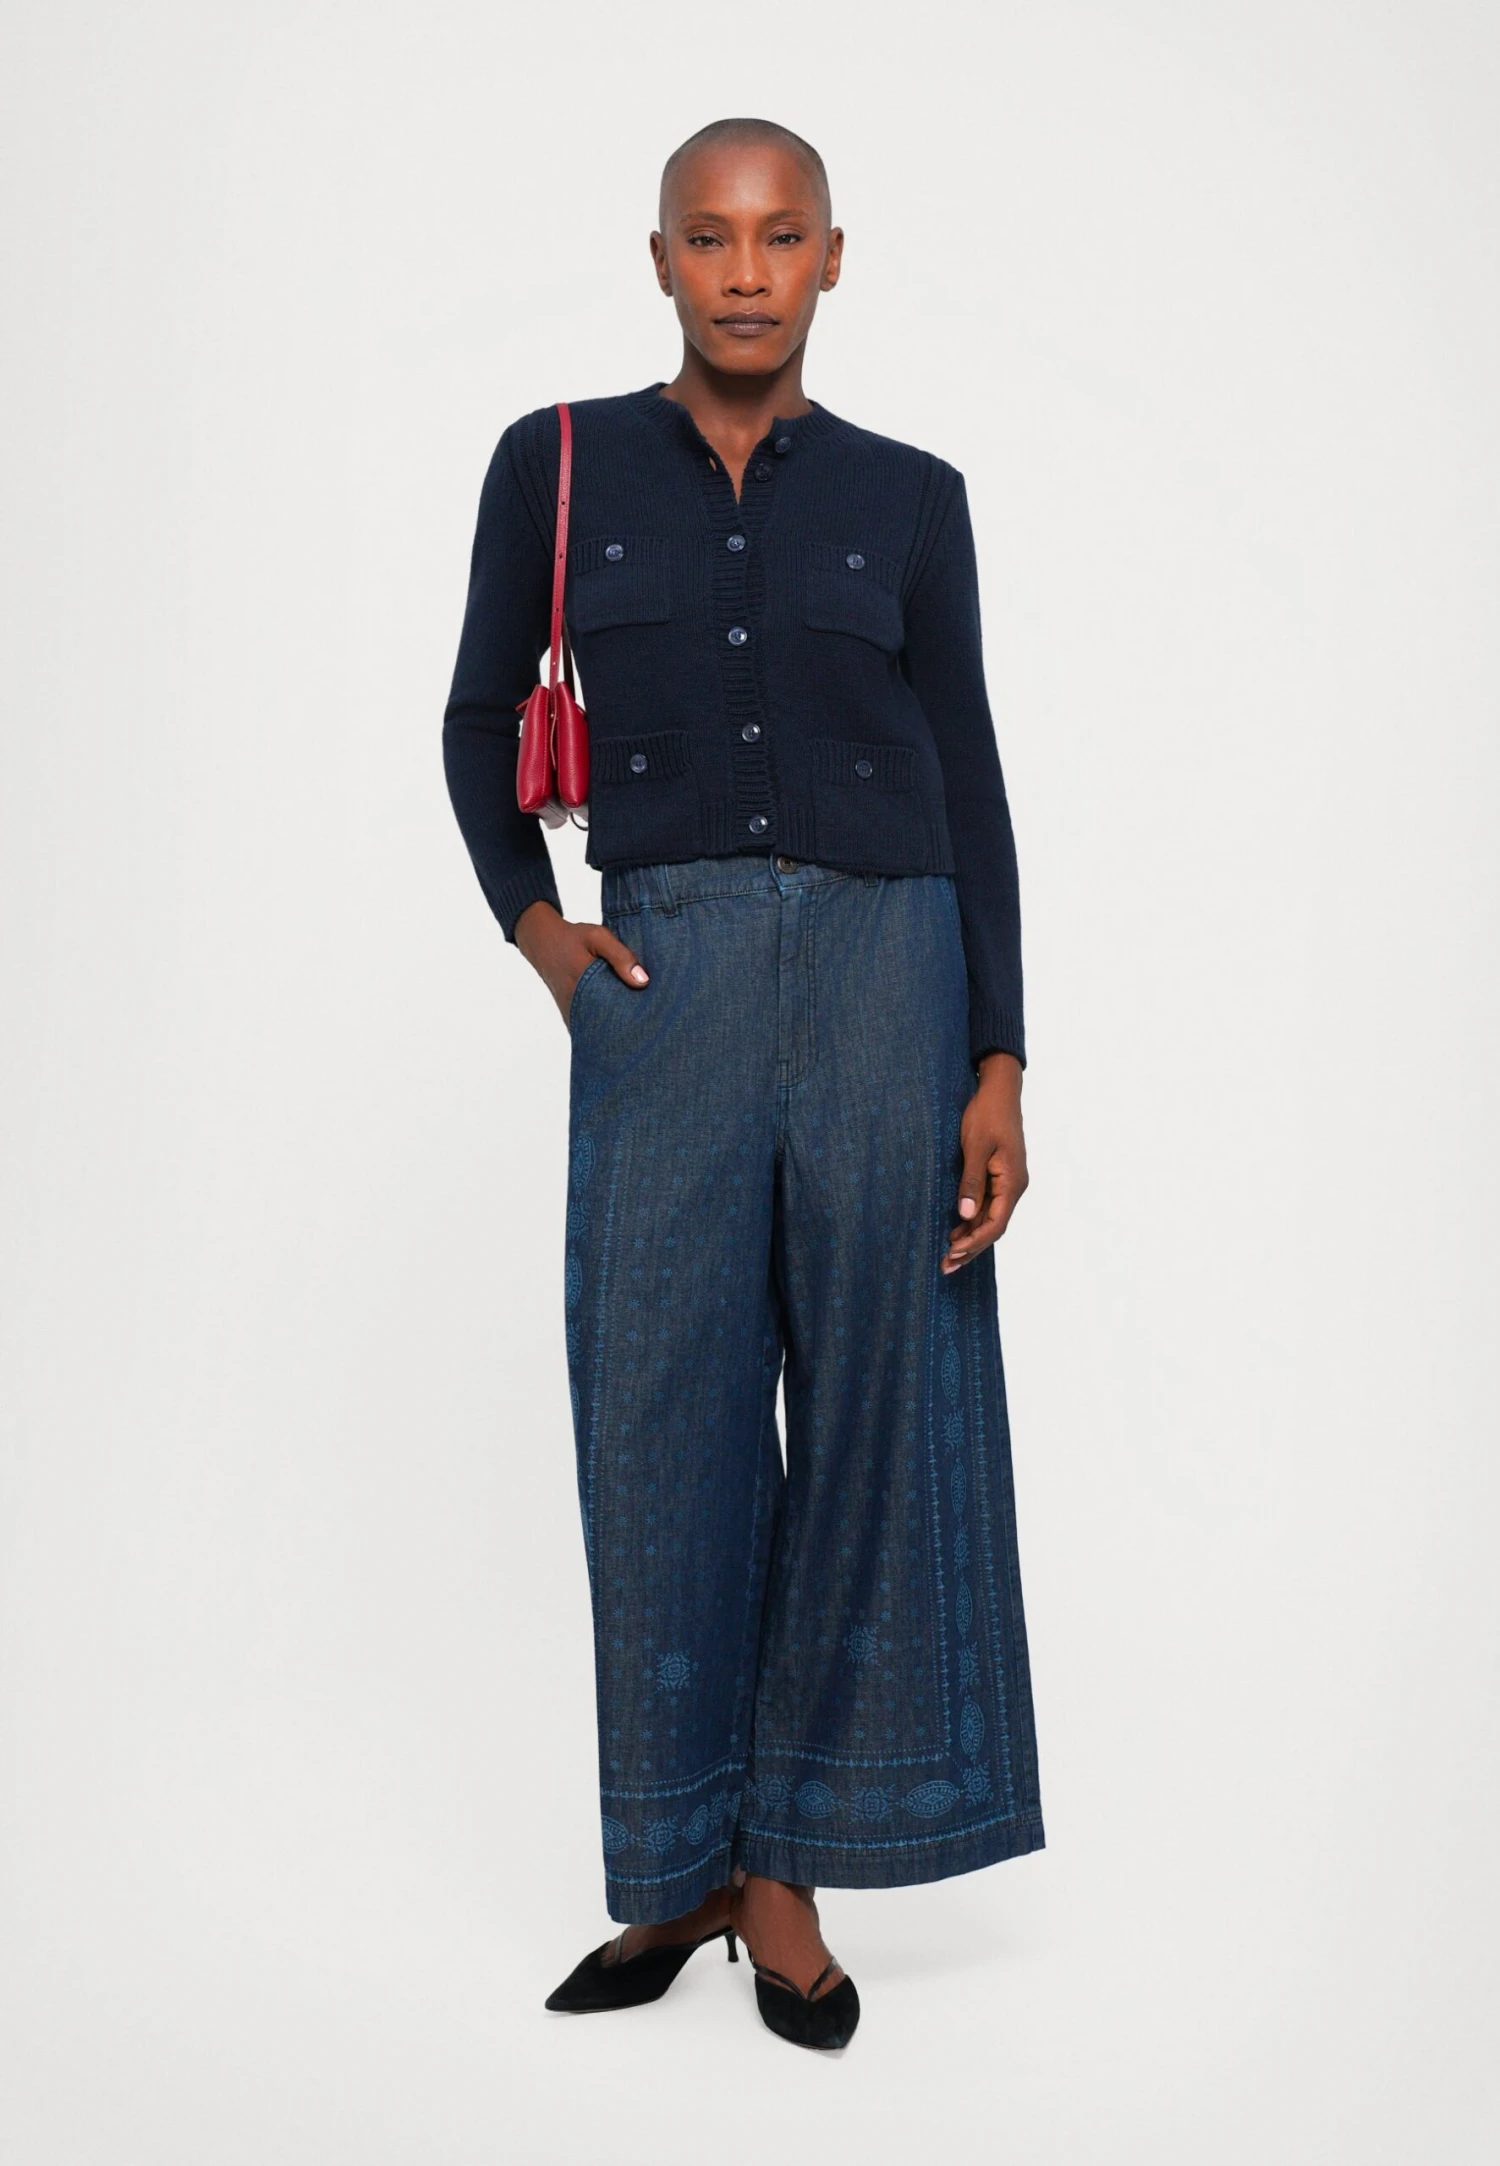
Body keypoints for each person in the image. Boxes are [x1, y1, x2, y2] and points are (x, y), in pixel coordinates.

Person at [442, 117, 1044, 2052]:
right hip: (667, 976)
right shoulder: (554, 465)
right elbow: (474, 718)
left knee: (874, 1407)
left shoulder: (911, 498)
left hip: (890, 971)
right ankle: (678, 1857)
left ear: (833, 258)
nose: (746, 271)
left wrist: (997, 1054)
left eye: (781, 237)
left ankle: (784, 1871)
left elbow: (968, 772)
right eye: (710, 238)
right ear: (661, 261)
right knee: (657, 1415)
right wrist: (548, 939)